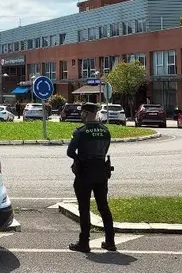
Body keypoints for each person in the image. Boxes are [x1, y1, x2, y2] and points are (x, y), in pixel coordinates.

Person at [67, 102, 116, 253]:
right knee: (103, 206)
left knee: (84, 208)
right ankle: (110, 241)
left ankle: (84, 243)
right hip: (101, 172)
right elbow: (105, 149)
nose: (81, 115)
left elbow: (70, 152)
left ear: (86, 113)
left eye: (82, 112)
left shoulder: (81, 131)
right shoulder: (105, 131)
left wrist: (79, 159)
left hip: (84, 173)